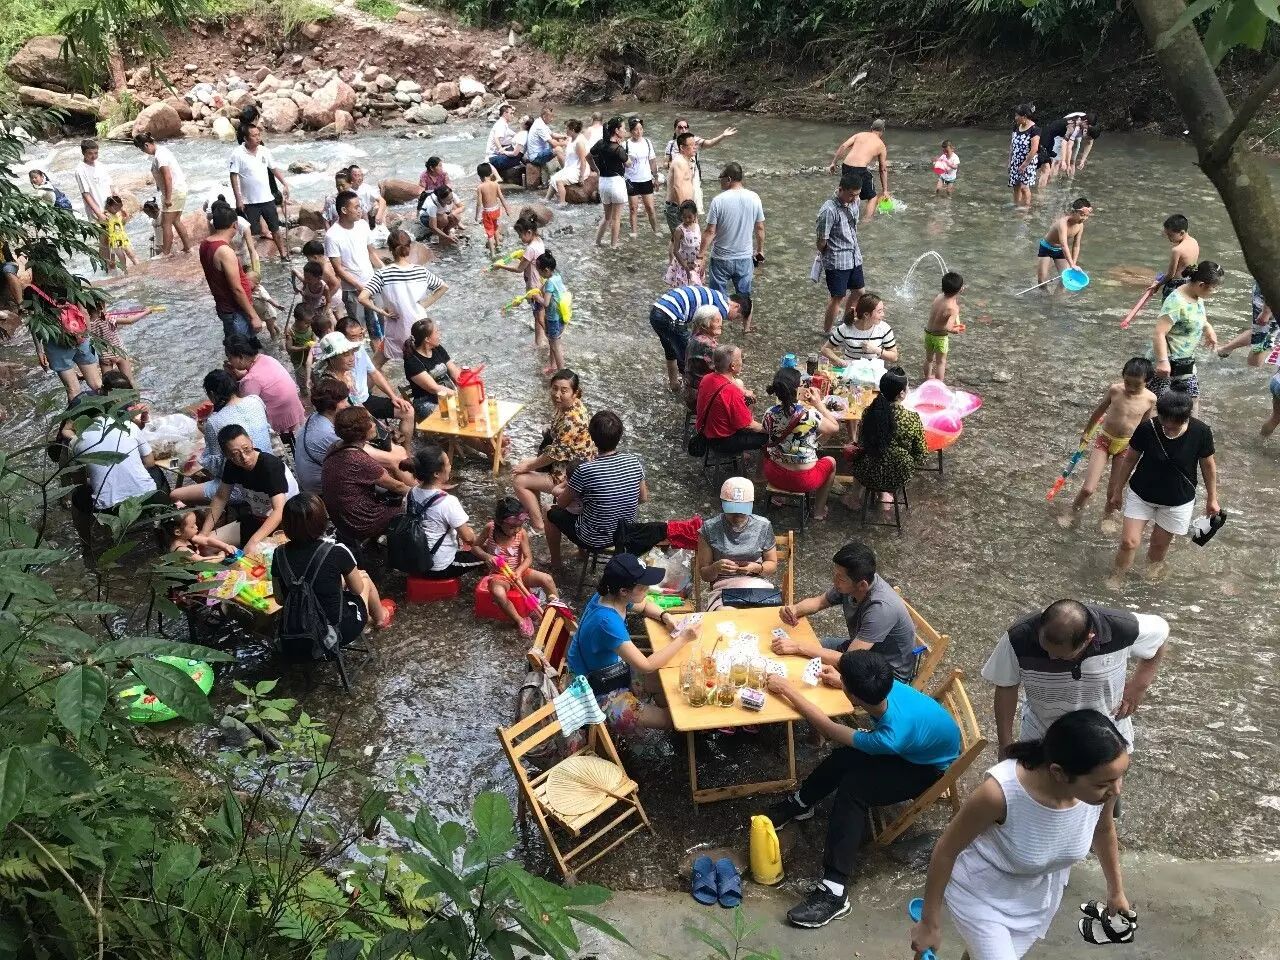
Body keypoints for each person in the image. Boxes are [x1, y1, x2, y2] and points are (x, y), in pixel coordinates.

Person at [910, 711, 1131, 960]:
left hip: (1034, 899)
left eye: (1120, 776)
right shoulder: (999, 794)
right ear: (1059, 773)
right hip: (981, 895)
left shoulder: (1103, 790)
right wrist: (929, 923)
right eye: (1103, 784)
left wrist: (1116, 890)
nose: (1116, 790)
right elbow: (946, 850)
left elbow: (1103, 829)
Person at [768, 650, 961, 928]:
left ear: (854, 696)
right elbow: (842, 662)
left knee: (854, 789)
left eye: (843, 680)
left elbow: (829, 729)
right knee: (843, 757)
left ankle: (834, 891)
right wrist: (841, 680)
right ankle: (800, 804)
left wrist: (787, 689)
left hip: (925, 768)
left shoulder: (890, 737)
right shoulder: (884, 682)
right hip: (921, 744)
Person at [983, 599, 1169, 760]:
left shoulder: (1122, 628)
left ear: (1088, 639)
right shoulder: (1019, 637)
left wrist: (1139, 686)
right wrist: (1005, 744)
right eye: (1045, 649)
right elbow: (1006, 686)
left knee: (1105, 786)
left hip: (1106, 732)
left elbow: (1161, 635)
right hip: (1042, 730)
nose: (1051, 658)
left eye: (1061, 656)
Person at [1107, 383, 1219, 587]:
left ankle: (1148, 583)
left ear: (1185, 418)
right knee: (1128, 542)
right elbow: (1130, 459)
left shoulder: (1201, 432)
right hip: (1141, 493)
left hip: (1178, 500)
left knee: (1158, 548)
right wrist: (1117, 490)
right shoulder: (1147, 428)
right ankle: (1118, 576)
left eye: (1173, 425)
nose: (1167, 427)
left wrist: (1212, 498)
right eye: (1163, 422)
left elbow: (1208, 466)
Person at [565, 553, 689, 734]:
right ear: (624, 591)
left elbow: (645, 605)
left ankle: (658, 708)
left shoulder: (609, 597)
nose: (648, 590)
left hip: (609, 672)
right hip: (595, 692)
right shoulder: (607, 622)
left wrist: (665, 616)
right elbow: (646, 665)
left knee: (670, 681)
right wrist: (683, 638)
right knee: (673, 719)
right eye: (643, 587)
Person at [772, 541, 918, 680]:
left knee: (810, 668)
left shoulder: (881, 609)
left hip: (885, 675)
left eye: (840, 578)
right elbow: (819, 602)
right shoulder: (854, 582)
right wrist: (794, 609)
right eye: (835, 574)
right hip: (862, 652)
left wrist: (798, 646)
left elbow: (849, 661)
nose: (834, 581)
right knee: (809, 651)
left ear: (862, 585)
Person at [271, 493, 392, 651]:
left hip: (294, 633)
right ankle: (380, 618)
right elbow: (357, 590)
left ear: (286, 525)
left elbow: (280, 599)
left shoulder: (279, 554)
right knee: (364, 578)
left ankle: (371, 617)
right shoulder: (337, 551)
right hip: (334, 633)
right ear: (322, 521)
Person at [1063, 358, 1157, 527]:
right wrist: (1086, 432)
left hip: (1126, 446)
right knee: (1087, 489)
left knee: (1113, 493)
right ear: (1123, 377)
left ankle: (1107, 518)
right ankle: (1072, 513)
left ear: (1147, 381)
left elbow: (1145, 426)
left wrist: (1144, 451)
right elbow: (1099, 410)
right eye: (1127, 382)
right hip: (1104, 441)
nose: (1130, 388)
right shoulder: (1115, 390)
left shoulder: (1150, 399)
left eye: (1137, 385)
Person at [547, 410, 646, 567]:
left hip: (594, 539)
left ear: (592, 438)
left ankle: (556, 562)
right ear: (619, 436)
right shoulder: (634, 462)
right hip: (625, 533)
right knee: (587, 508)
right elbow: (643, 498)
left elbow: (561, 504)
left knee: (549, 511)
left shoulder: (585, 470)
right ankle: (580, 553)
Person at [169, 369, 273, 506]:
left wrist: (206, 431)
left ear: (212, 394)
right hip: (271, 471)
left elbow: (216, 468)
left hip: (242, 487)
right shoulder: (255, 400)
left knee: (175, 495)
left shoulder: (214, 422)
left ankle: (200, 517)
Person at [511, 369, 596, 534]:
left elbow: (554, 454)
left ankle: (539, 526)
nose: (557, 394)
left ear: (575, 393)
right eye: (555, 388)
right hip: (564, 461)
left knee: (519, 480)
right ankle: (537, 513)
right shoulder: (567, 405)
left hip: (569, 473)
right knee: (524, 465)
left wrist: (528, 467)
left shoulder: (573, 419)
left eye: (564, 390)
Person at [200, 424, 299, 555]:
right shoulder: (231, 465)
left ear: (251, 441)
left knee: (256, 555)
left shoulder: (270, 466)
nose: (244, 457)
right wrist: (203, 534)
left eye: (246, 449)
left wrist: (253, 541)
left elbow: (279, 510)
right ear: (227, 455)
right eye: (235, 454)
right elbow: (221, 497)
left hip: (286, 523)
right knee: (205, 546)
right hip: (257, 519)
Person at [320, 405, 410, 548]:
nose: (374, 424)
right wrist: (422, 494)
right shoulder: (358, 459)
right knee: (408, 507)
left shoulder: (336, 446)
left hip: (339, 517)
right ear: (361, 432)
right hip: (359, 521)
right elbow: (397, 486)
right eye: (370, 422)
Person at [358, 227, 447, 364]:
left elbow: (362, 298)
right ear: (409, 248)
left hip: (397, 327)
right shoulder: (421, 271)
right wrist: (423, 305)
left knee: (375, 365)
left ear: (390, 249)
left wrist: (382, 312)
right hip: (420, 327)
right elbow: (443, 287)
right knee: (425, 363)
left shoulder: (383, 274)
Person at [761, 366, 840, 520]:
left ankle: (778, 496)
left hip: (774, 474)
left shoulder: (769, 413)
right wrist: (818, 404)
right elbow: (834, 428)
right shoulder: (810, 415)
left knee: (770, 450)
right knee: (831, 462)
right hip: (804, 480)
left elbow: (767, 431)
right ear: (798, 390)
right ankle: (818, 511)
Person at [475, 496, 560, 637]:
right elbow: (475, 547)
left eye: (519, 526)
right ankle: (520, 620)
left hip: (520, 573)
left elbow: (528, 558)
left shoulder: (521, 534)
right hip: (499, 575)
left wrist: (519, 571)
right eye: (512, 527)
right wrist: (487, 557)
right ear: (499, 522)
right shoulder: (490, 529)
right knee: (498, 593)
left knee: (547, 579)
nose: (516, 530)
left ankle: (558, 611)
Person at [844, 366, 927, 508]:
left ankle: (854, 499)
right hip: (898, 475)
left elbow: (863, 444)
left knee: (865, 455)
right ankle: (883, 497)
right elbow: (921, 454)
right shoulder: (912, 418)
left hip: (868, 472)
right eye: (907, 387)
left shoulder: (869, 412)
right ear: (901, 393)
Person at [25, 253, 102, 403]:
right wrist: (85, 336)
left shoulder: (31, 291)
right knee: (96, 384)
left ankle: (77, 417)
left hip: (55, 342)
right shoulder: (72, 282)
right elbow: (84, 312)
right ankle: (110, 412)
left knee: (73, 390)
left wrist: (39, 350)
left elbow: (35, 324)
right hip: (80, 337)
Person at [402, 445, 486, 579]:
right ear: (436, 473)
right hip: (438, 567)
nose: (450, 465)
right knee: (487, 556)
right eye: (447, 463)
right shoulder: (448, 502)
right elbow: (468, 538)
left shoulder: (410, 494)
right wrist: (486, 545)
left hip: (413, 560)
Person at [316, 330, 414, 444]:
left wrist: (380, 423)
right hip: (349, 425)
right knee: (389, 444)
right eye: (345, 354)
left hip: (360, 409)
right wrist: (375, 427)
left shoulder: (346, 373)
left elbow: (357, 400)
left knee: (406, 412)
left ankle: (406, 452)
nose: (352, 358)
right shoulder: (330, 386)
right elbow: (341, 419)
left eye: (352, 353)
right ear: (331, 359)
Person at [69, 395, 161, 513]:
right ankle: (163, 508)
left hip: (109, 508)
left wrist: (96, 477)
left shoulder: (76, 441)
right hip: (147, 496)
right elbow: (150, 463)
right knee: (156, 471)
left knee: (77, 494)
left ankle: (89, 523)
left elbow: (79, 482)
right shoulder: (128, 425)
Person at [696, 477, 777, 610]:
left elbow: (772, 564)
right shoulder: (709, 528)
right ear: (723, 504)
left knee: (767, 616)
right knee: (726, 615)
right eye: (732, 509)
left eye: (742, 509)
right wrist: (716, 567)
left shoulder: (763, 525)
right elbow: (704, 574)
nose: (737, 514)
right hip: (724, 587)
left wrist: (756, 568)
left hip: (756, 585)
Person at [649, 283, 748, 393]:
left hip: (657, 312)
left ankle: (674, 384)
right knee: (687, 355)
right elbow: (712, 341)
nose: (732, 320)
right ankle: (688, 388)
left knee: (670, 349)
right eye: (737, 316)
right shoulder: (723, 308)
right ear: (737, 306)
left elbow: (698, 326)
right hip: (671, 315)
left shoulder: (718, 296)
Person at [698, 162, 765, 318]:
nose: (720, 181)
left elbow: (710, 231)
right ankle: (746, 328)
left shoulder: (718, 201)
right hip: (744, 258)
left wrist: (700, 255)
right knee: (745, 298)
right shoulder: (754, 198)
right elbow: (760, 228)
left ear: (729, 179)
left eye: (721, 178)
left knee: (717, 299)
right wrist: (760, 250)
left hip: (721, 259)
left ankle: (718, 327)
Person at [1148, 260, 1222, 398]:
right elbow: (1159, 333)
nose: (1215, 292)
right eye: (1214, 288)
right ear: (1201, 285)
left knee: (1192, 399)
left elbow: (1198, 316)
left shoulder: (1197, 295)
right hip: (1167, 363)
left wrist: (1208, 329)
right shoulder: (1176, 302)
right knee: (1157, 402)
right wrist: (1162, 362)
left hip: (1185, 362)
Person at [325, 190, 385, 351]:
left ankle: (378, 362)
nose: (360, 210)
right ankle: (357, 360)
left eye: (360, 206)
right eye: (356, 207)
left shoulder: (363, 225)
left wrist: (386, 272)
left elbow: (372, 253)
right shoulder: (332, 235)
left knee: (378, 328)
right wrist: (359, 286)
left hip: (373, 286)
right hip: (352, 291)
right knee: (357, 332)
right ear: (344, 210)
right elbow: (338, 268)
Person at [224, 334, 305, 447]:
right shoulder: (266, 358)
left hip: (281, 426)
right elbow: (261, 378)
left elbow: (244, 407)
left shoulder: (250, 379)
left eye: (230, 358)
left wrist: (232, 379)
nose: (229, 361)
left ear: (241, 357)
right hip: (295, 413)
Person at [228, 122, 290, 260]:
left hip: (267, 199)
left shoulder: (264, 151)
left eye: (258, 135)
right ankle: (251, 258)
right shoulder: (237, 154)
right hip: (249, 201)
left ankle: (283, 255)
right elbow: (233, 176)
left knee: (275, 228)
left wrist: (284, 183)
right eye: (254, 136)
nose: (258, 138)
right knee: (251, 232)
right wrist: (238, 199)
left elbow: (273, 169)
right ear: (245, 138)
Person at [201, 203, 263, 338]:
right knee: (242, 348)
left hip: (224, 306)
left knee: (235, 345)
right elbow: (236, 289)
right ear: (235, 225)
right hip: (235, 310)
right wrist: (254, 316)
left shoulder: (205, 243)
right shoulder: (225, 251)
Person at [694, 344, 767, 455]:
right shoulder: (732, 392)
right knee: (767, 438)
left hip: (704, 431)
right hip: (721, 441)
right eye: (741, 358)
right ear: (733, 366)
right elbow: (749, 425)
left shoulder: (706, 378)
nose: (742, 361)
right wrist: (769, 430)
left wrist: (743, 391)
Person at [816, 171, 865, 333]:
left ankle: (845, 323)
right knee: (838, 297)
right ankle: (827, 331)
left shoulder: (855, 201)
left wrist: (854, 198)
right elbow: (821, 241)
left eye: (857, 194)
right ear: (840, 189)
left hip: (854, 256)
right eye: (851, 195)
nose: (854, 198)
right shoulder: (828, 210)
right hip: (837, 260)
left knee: (859, 291)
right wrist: (826, 255)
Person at [134, 133, 191, 255]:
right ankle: (187, 247)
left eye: (142, 149)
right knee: (176, 221)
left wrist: (168, 198)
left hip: (174, 191)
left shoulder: (160, 156)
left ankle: (166, 253)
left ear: (146, 145)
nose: (143, 152)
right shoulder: (162, 151)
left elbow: (167, 177)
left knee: (166, 224)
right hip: (179, 189)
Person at [495, 215, 548, 346]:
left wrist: (501, 266)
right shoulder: (539, 241)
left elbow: (519, 269)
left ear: (529, 232)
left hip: (533, 286)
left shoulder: (530, 249)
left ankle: (544, 341)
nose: (520, 238)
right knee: (540, 315)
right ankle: (542, 340)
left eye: (520, 235)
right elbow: (534, 261)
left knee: (538, 317)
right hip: (541, 283)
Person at [827, 119, 890, 220]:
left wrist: (833, 163)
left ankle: (839, 214)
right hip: (859, 169)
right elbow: (882, 169)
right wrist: (885, 190)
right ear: (883, 131)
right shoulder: (881, 145)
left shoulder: (859, 135)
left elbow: (843, 146)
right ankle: (866, 222)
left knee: (848, 191)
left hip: (846, 166)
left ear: (871, 128)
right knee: (872, 197)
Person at [294, 376, 347, 494]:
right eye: (343, 401)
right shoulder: (327, 434)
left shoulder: (315, 417)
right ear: (331, 405)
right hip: (320, 489)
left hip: (309, 480)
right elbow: (362, 454)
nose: (347, 404)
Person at [402, 317, 461, 419]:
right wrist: (458, 396)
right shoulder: (412, 361)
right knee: (455, 414)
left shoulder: (438, 349)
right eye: (437, 332)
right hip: (426, 402)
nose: (439, 335)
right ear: (427, 339)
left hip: (448, 394)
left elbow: (454, 371)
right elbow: (434, 388)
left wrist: (465, 385)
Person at [821, 293, 898, 365]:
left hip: (873, 370)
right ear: (866, 314)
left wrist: (876, 350)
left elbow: (894, 357)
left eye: (882, 311)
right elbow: (825, 349)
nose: (883, 314)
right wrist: (839, 361)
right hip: (851, 369)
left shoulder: (884, 328)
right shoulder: (845, 328)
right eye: (879, 312)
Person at [1216, 279, 1277, 366]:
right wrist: (1266, 311)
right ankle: (1251, 370)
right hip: (1271, 297)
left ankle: (1226, 349)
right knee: (1264, 336)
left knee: (1262, 333)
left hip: (1269, 295)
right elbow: (1274, 279)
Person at [1036, 197, 1092, 288]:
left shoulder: (1080, 226)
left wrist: (1073, 264)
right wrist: (1071, 264)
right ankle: (1044, 296)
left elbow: (1076, 245)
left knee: (1066, 279)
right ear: (1074, 212)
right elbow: (1064, 245)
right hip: (1046, 248)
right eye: (1082, 215)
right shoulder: (1062, 223)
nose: (1084, 218)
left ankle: (1057, 297)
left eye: (1087, 216)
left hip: (1059, 250)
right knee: (1042, 281)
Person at [591, 117, 629, 247]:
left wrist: (596, 169)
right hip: (616, 183)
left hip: (603, 183)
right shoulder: (618, 148)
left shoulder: (600, 143)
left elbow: (589, 156)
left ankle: (597, 242)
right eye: (623, 128)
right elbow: (628, 163)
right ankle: (613, 246)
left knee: (607, 217)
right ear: (617, 131)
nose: (625, 130)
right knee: (616, 218)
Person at [74, 140, 113, 264]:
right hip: (97, 211)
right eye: (90, 153)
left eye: (96, 153)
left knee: (112, 238)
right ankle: (107, 266)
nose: (93, 156)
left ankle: (111, 266)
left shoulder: (100, 165)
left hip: (109, 207)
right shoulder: (80, 170)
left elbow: (110, 184)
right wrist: (99, 213)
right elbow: (85, 194)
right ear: (83, 153)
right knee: (105, 239)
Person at [923, 271, 965, 382]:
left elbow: (940, 312)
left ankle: (927, 378)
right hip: (940, 337)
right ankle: (939, 384)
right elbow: (948, 327)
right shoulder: (953, 308)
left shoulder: (938, 297)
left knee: (929, 359)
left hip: (928, 333)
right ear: (960, 289)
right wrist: (955, 330)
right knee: (941, 362)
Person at [1149, 214, 1199, 302]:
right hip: (1190, 283)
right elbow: (1193, 266)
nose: (1169, 238)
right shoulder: (1194, 242)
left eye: (1170, 235)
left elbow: (1170, 275)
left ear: (1182, 233)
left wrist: (1158, 285)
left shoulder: (1177, 250)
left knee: (1169, 308)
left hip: (1176, 286)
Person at [682, 305, 723, 409]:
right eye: (717, 321)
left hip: (690, 392)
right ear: (705, 324)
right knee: (742, 392)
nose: (721, 324)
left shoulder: (694, 337)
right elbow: (723, 372)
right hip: (701, 396)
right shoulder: (707, 345)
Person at [624, 117, 659, 236]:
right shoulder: (626, 144)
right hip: (631, 180)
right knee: (633, 208)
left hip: (646, 179)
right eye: (635, 129)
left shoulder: (647, 143)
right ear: (631, 131)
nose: (638, 132)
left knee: (650, 208)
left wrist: (655, 177)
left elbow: (652, 161)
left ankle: (656, 231)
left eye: (641, 129)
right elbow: (622, 163)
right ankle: (634, 234)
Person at [168, 508, 236, 560]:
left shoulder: (187, 537)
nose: (196, 527)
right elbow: (201, 561)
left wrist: (225, 546)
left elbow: (207, 541)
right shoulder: (180, 549)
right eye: (192, 526)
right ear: (178, 532)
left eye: (195, 523)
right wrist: (221, 556)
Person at [664, 131, 699, 232]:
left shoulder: (688, 161)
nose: (695, 147)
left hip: (687, 206)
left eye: (695, 144)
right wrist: (684, 211)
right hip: (678, 208)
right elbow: (677, 187)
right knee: (681, 238)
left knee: (684, 237)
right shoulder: (679, 162)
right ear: (682, 148)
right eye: (691, 145)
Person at [547, 119, 588, 205]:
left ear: (572, 130)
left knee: (559, 181)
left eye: (566, 128)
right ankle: (547, 199)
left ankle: (562, 203)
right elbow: (560, 142)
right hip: (569, 168)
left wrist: (581, 177)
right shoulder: (570, 139)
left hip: (578, 169)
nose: (565, 130)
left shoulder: (579, 143)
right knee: (553, 178)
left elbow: (583, 160)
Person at [475, 162, 512, 256]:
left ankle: (492, 253)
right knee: (495, 227)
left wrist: (477, 216)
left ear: (480, 176)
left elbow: (479, 203)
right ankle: (498, 244)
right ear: (491, 174)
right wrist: (507, 209)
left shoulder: (480, 187)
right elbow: (501, 198)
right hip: (496, 210)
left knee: (489, 233)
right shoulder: (495, 185)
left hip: (487, 212)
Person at [1008, 104, 1041, 207]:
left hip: (1028, 162)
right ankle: (1016, 206)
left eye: (1017, 115)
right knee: (1016, 186)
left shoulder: (1034, 129)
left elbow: (1034, 149)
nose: (1015, 118)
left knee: (1024, 187)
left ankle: (1026, 208)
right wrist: (1009, 162)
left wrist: (1024, 165)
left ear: (1024, 116)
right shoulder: (1016, 126)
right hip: (1015, 160)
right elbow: (1012, 145)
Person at [665, 200, 703, 287]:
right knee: (684, 287)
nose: (687, 219)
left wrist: (702, 260)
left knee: (696, 287)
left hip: (695, 263)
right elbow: (675, 251)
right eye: (684, 217)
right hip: (683, 264)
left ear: (695, 215)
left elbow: (700, 245)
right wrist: (685, 266)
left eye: (689, 217)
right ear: (680, 216)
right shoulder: (679, 230)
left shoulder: (697, 227)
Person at [102, 196, 138, 273]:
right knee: (122, 258)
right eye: (115, 207)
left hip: (123, 237)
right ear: (109, 206)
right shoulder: (106, 215)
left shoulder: (118, 214)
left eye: (119, 207)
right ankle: (125, 272)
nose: (117, 209)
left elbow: (122, 224)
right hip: (114, 240)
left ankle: (139, 268)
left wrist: (125, 215)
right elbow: (103, 226)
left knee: (131, 254)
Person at [525, 105, 565, 170]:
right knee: (558, 149)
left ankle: (563, 164)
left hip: (539, 152)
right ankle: (566, 170)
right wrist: (565, 143)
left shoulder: (540, 122)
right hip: (535, 157)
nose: (552, 119)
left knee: (559, 139)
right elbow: (553, 143)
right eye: (550, 117)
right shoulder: (540, 126)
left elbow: (552, 134)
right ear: (544, 116)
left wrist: (564, 136)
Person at [486, 104, 523, 173]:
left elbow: (515, 135)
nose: (513, 116)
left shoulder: (503, 124)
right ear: (505, 114)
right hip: (494, 157)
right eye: (511, 113)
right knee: (520, 155)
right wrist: (501, 149)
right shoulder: (501, 124)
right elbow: (496, 138)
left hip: (495, 156)